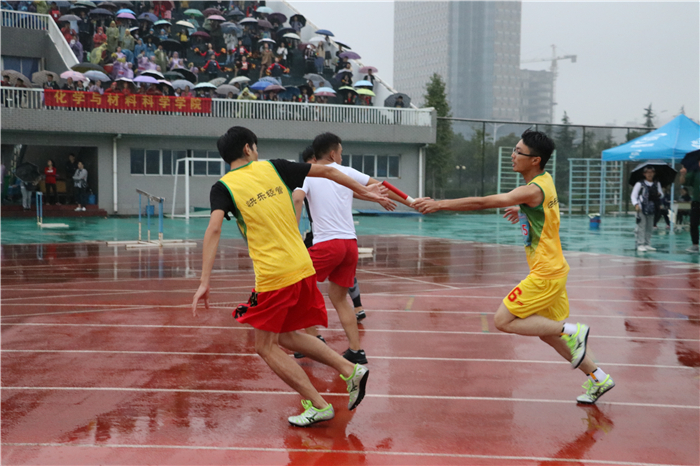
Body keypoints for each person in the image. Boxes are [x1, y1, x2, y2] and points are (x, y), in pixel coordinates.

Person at [192, 126, 386, 426]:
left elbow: (214, 228)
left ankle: (318, 404)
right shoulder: (275, 167)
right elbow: (329, 171)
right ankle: (350, 370)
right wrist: (365, 192)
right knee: (287, 336)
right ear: (248, 148)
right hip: (302, 266)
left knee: (264, 346)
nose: (257, 152)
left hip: (275, 274)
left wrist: (205, 281)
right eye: (256, 147)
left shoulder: (223, 188)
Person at [413, 129, 615, 405]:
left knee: (503, 321)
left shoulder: (531, 190)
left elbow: (484, 202)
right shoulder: (544, 182)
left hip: (545, 273)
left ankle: (573, 331)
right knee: (547, 333)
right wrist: (524, 210)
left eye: (519, 152)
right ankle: (598, 377)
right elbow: (546, 209)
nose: (513, 155)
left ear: (535, 160)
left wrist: (439, 204)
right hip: (555, 269)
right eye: (514, 149)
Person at [292, 133, 408, 365]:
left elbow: (297, 199)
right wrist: (412, 202)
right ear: (332, 153)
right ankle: (356, 350)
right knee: (339, 297)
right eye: (341, 153)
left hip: (328, 244)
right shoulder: (347, 173)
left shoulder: (307, 173)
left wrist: (292, 234)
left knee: (298, 285)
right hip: (350, 245)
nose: (342, 157)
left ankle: (313, 339)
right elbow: (382, 187)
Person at [631, 166, 663, 252]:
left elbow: (661, 194)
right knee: (642, 226)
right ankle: (640, 244)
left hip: (652, 208)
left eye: (651, 172)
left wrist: (659, 194)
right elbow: (633, 195)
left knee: (649, 226)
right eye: (647, 172)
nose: (650, 174)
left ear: (654, 173)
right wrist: (636, 204)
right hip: (642, 208)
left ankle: (647, 243)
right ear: (644, 174)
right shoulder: (640, 184)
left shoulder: (657, 184)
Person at [679, 161, 700, 253]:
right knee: (694, 223)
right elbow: (683, 182)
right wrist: (683, 174)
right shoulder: (695, 172)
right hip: (697, 202)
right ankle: (695, 245)